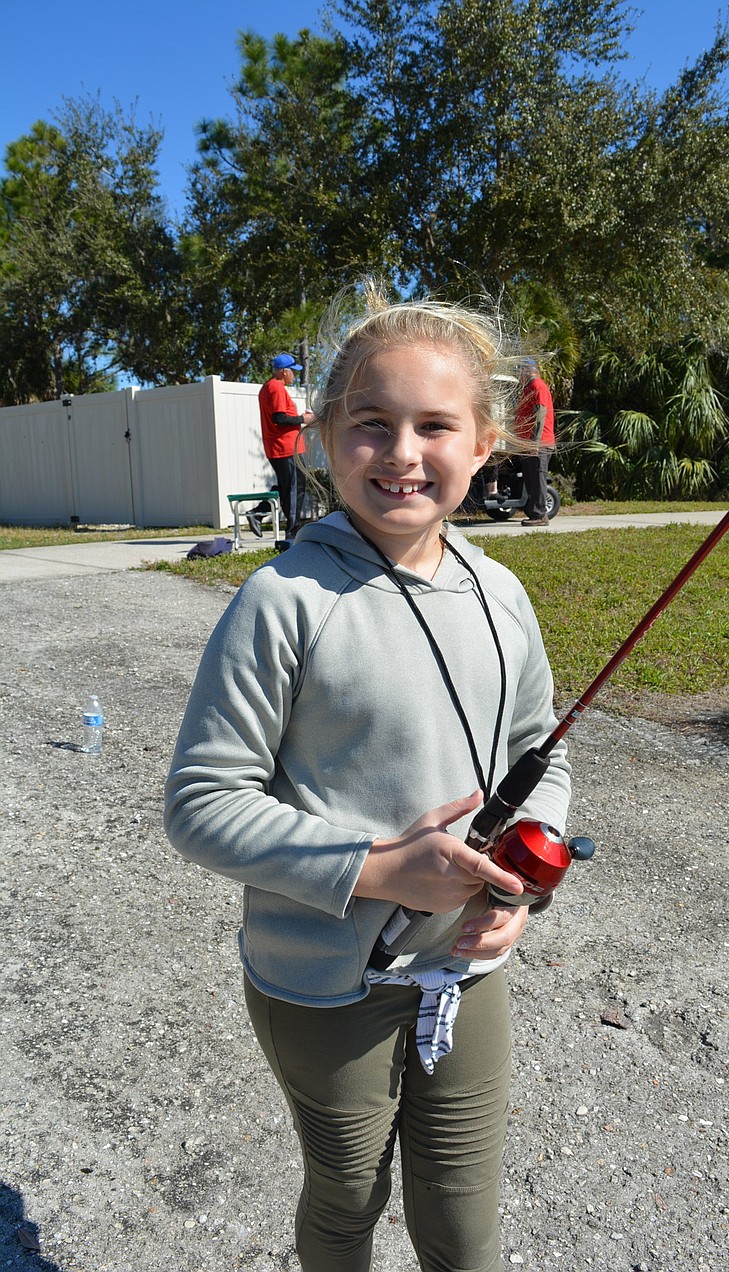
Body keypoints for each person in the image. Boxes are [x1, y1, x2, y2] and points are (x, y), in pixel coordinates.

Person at [163, 285, 572, 1272]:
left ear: (485, 445)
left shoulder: (501, 592)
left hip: (466, 968)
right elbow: (200, 805)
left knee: (462, 1206)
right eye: (371, 425)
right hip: (322, 989)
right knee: (349, 1195)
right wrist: (377, 869)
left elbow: (542, 753)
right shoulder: (282, 600)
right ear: (320, 439)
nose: (400, 454)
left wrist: (527, 886)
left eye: (435, 426)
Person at [246, 353, 315, 541]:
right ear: (284, 372)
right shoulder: (276, 387)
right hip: (284, 447)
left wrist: (300, 418)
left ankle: (259, 513)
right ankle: (292, 531)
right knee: (295, 486)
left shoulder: (269, 387)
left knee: (287, 486)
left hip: (281, 447)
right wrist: (303, 419)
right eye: (292, 371)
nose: (294, 375)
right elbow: (279, 418)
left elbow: (280, 416)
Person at [514, 358, 555, 527]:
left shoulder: (537, 385)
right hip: (527, 443)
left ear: (528, 371)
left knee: (537, 478)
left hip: (539, 443)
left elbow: (540, 413)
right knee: (530, 479)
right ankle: (533, 513)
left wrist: (534, 442)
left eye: (520, 371)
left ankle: (539, 514)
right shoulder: (528, 388)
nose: (518, 375)